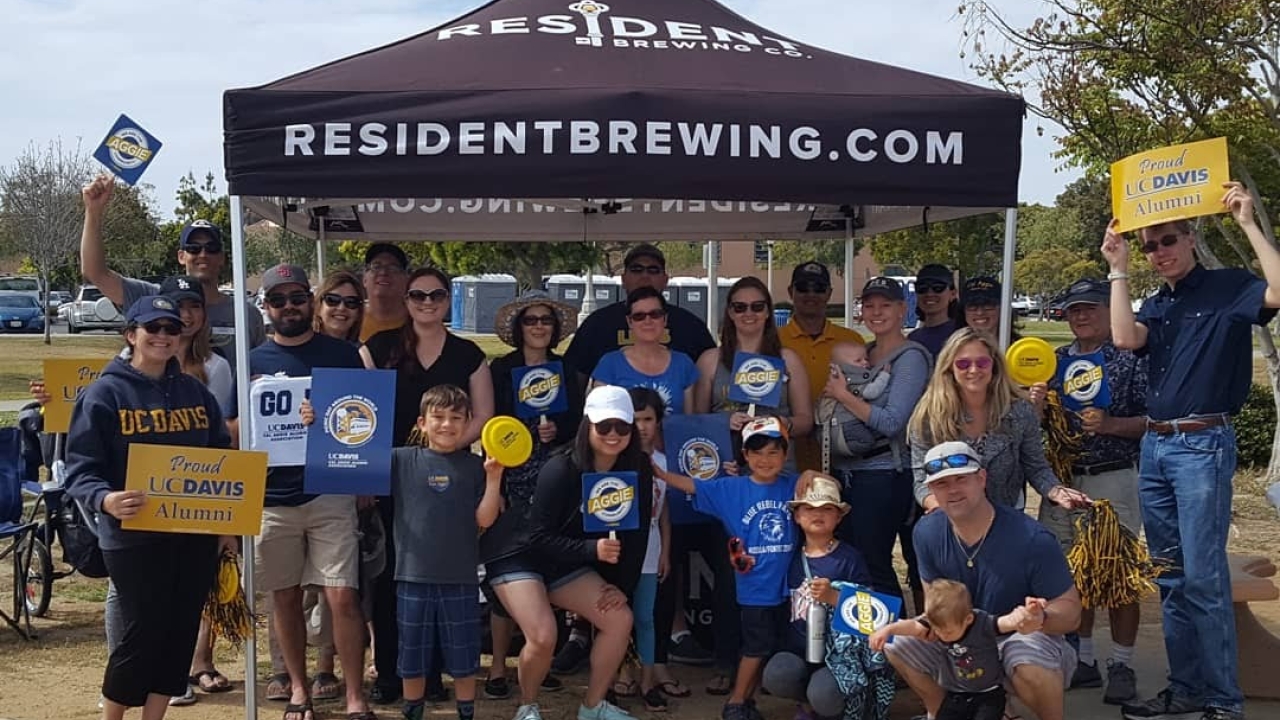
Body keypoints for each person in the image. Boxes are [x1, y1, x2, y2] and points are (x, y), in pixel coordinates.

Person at [1101, 182, 1280, 720]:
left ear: (1192, 238)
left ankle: (1223, 701)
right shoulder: (1159, 302)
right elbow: (1125, 338)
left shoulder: (1228, 288)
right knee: (1171, 579)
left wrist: (1249, 223)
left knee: (1204, 578)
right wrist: (1117, 266)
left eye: (1168, 240)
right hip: (1156, 446)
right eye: (1151, 245)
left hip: (1202, 444)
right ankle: (1186, 692)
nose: (1159, 252)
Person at [65, 295, 231, 720]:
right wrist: (106, 499)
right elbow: (81, 469)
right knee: (141, 633)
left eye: (171, 329)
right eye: (152, 328)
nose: (162, 336)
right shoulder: (104, 393)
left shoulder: (195, 392)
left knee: (179, 631)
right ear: (131, 334)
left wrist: (227, 521)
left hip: (193, 533)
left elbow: (220, 456)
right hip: (133, 534)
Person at [230, 264, 374, 720]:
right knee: (284, 597)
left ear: (310, 302)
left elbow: (362, 421)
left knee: (342, 596)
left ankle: (354, 696)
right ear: (266, 307)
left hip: (329, 490)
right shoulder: (250, 361)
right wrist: (253, 411)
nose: (289, 306)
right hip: (271, 497)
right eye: (278, 300)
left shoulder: (342, 354)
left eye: (297, 298)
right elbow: (232, 431)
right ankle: (298, 689)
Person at [361, 265, 495, 705]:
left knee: (444, 577)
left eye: (436, 295)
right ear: (407, 300)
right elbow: (357, 410)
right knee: (391, 576)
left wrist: (446, 449)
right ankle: (390, 672)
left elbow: (482, 417)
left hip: (449, 475)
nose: (427, 303)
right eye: (418, 295)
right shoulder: (378, 347)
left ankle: (437, 675)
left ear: (448, 300)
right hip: (391, 473)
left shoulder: (469, 353)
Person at [483, 385, 651, 720]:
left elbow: (637, 535)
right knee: (544, 635)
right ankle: (527, 708)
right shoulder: (560, 468)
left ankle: (593, 707)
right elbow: (536, 535)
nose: (613, 434)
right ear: (587, 425)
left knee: (620, 618)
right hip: (519, 553)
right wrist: (592, 549)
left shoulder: (639, 470)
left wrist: (623, 587)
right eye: (604, 426)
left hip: (566, 559)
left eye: (622, 427)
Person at [887, 441, 1082, 720]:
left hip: (1019, 635)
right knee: (897, 641)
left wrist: (1040, 617)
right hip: (964, 638)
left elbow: (1071, 613)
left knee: (1027, 656)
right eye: (941, 484)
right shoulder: (926, 532)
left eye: (961, 479)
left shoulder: (1032, 538)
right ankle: (943, 712)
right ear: (930, 490)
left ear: (981, 478)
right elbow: (934, 603)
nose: (952, 490)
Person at [1025, 277, 1148, 704]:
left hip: (1112, 476)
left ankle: (1123, 663)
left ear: (1106, 309)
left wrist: (1113, 425)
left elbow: (1154, 422)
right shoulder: (1051, 361)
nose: (1080, 316)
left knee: (1116, 575)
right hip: (1062, 481)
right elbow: (1034, 430)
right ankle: (1084, 660)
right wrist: (1035, 411)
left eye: (1089, 308)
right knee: (1068, 575)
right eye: (1073, 310)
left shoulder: (1129, 357)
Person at [655, 416, 800, 720]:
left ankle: (748, 702)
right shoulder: (730, 489)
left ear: (785, 454)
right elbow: (691, 485)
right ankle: (735, 702)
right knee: (755, 648)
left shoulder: (793, 485)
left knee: (772, 646)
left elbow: (825, 486)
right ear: (745, 456)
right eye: (757, 452)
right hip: (755, 590)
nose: (765, 460)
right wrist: (656, 471)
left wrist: (812, 472)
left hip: (786, 589)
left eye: (774, 452)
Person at [483, 291, 582, 699]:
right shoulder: (502, 369)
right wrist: (496, 484)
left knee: (545, 570)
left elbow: (579, 424)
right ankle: (499, 666)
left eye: (545, 320)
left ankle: (537, 658)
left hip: (554, 478)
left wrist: (554, 431)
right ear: (519, 327)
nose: (539, 326)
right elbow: (490, 422)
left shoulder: (567, 369)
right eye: (531, 320)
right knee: (508, 572)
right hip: (511, 478)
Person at [388, 385, 504, 720]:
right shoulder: (401, 459)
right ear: (422, 423)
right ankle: (413, 711)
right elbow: (354, 454)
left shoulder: (475, 466)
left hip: (461, 578)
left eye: (456, 418)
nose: (446, 425)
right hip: (412, 577)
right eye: (438, 417)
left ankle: (465, 712)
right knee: (413, 653)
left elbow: (485, 519)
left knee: (464, 654)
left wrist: (494, 480)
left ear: (469, 422)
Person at [78, 174, 266, 370]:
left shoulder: (247, 314)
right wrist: (94, 211)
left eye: (211, 248)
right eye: (193, 248)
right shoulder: (151, 299)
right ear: (181, 256)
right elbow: (95, 273)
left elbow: (261, 369)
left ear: (223, 258)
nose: (202, 254)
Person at [822, 277, 930, 601]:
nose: (876, 312)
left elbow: (893, 422)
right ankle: (863, 643)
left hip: (883, 474)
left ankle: (892, 642)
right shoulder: (863, 354)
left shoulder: (910, 357)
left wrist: (843, 395)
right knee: (854, 566)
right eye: (869, 305)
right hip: (847, 473)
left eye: (885, 305)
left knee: (876, 566)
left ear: (902, 309)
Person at [908, 328, 1088, 513]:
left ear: (994, 366)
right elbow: (921, 480)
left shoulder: (1020, 411)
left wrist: (1056, 491)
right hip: (950, 518)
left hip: (1006, 515)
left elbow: (1036, 467)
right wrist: (941, 508)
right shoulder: (929, 416)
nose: (973, 370)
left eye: (982, 362)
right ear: (949, 368)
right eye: (963, 364)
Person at [762, 474, 871, 720]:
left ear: (839, 516)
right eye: (808, 508)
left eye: (827, 508)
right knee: (775, 674)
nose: (817, 514)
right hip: (799, 650)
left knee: (825, 694)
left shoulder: (849, 558)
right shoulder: (788, 556)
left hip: (839, 655)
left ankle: (837, 707)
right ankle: (807, 704)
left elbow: (870, 613)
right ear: (797, 516)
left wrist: (834, 597)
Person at [870, 580, 1046, 720]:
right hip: (957, 693)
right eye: (937, 630)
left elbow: (1006, 622)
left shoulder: (981, 623)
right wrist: (888, 630)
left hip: (989, 693)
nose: (942, 636)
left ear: (968, 619)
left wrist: (1025, 614)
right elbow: (913, 627)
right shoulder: (939, 624)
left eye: (948, 632)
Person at [695, 276, 814, 466]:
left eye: (757, 306)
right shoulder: (709, 360)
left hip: (777, 469)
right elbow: (695, 421)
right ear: (730, 313)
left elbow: (806, 421)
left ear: (768, 312)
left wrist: (781, 423)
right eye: (740, 307)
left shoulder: (788, 360)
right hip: (726, 467)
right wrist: (724, 421)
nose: (748, 313)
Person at [613, 387, 681, 711]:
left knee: (645, 616)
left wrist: (666, 551)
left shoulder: (665, 462)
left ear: (658, 421)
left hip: (651, 548)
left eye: (648, 419)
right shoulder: (615, 459)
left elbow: (663, 512)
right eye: (635, 419)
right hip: (619, 549)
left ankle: (648, 681)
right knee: (618, 616)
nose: (642, 426)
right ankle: (620, 673)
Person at [564, 243, 716, 380]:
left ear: (665, 280)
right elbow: (575, 378)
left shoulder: (691, 326)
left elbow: (711, 376)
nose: (645, 276)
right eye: (636, 269)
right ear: (623, 279)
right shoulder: (597, 324)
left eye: (653, 270)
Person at [777, 261, 866, 472]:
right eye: (803, 288)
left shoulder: (852, 341)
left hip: (842, 457)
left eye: (818, 288)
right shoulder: (773, 342)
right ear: (791, 292)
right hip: (786, 457)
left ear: (829, 293)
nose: (811, 294)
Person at [591, 287, 698, 415]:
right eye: (639, 316)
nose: (648, 321)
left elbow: (690, 421)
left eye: (655, 314)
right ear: (629, 322)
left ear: (665, 319)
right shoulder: (609, 364)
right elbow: (598, 417)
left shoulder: (684, 364)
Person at [360, 243, 410, 342]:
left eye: (393, 268)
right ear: (364, 279)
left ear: (406, 280)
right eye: (376, 267)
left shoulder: (419, 321)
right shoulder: (350, 319)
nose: (383, 272)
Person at [907, 264, 958, 358]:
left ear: (953, 294)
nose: (929, 293)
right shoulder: (912, 338)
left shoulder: (961, 335)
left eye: (938, 287)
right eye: (922, 288)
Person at [955, 276, 1017, 342]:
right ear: (963, 311)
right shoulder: (954, 349)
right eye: (972, 306)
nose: (980, 312)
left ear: (1002, 308)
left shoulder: (1019, 348)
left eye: (988, 305)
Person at [313, 270, 366, 344]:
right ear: (318, 307)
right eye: (332, 299)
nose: (341, 308)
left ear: (358, 313)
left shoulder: (363, 353)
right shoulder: (299, 350)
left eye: (351, 302)